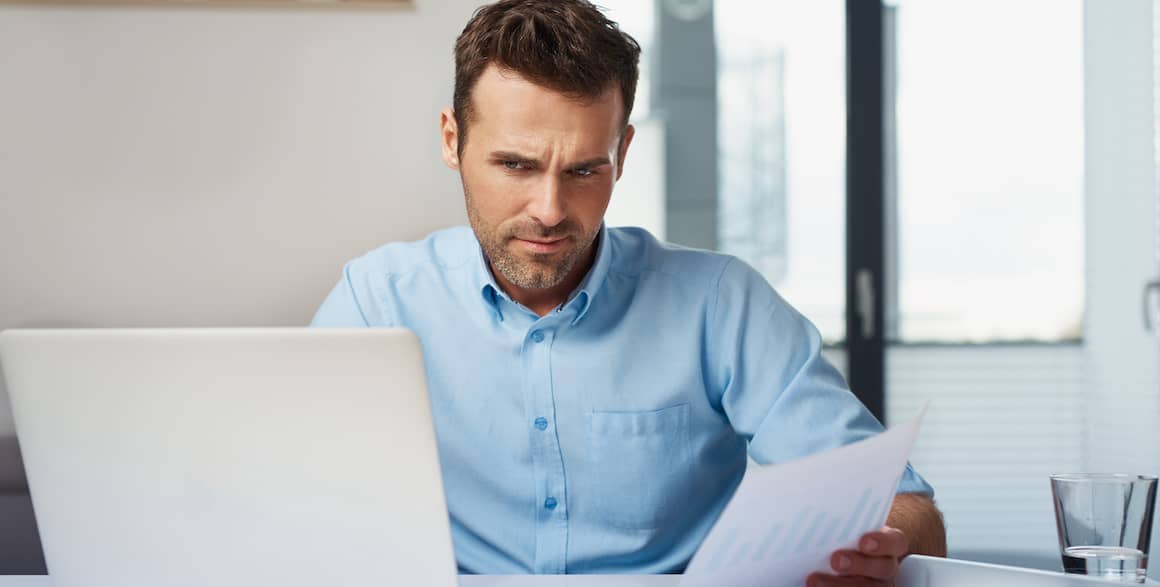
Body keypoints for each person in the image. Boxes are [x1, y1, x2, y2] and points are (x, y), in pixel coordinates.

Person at [311, 0, 947, 584]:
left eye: (585, 169)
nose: (550, 210)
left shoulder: (719, 305)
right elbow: (285, 496)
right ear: (453, 141)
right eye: (516, 165)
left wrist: (881, 542)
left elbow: (908, 506)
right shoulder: (377, 302)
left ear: (624, 151)